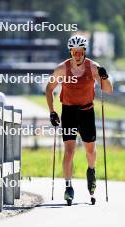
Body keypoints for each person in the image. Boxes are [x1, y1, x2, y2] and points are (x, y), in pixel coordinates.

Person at [46, 35, 113, 205]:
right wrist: (52, 112)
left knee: (90, 150)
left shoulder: (93, 67)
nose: (77, 55)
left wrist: (105, 77)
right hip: (68, 112)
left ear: (84, 51)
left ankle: (91, 172)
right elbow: (49, 88)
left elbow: (109, 90)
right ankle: (68, 187)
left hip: (87, 112)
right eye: (74, 52)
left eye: (80, 52)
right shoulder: (62, 68)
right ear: (70, 51)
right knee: (69, 151)